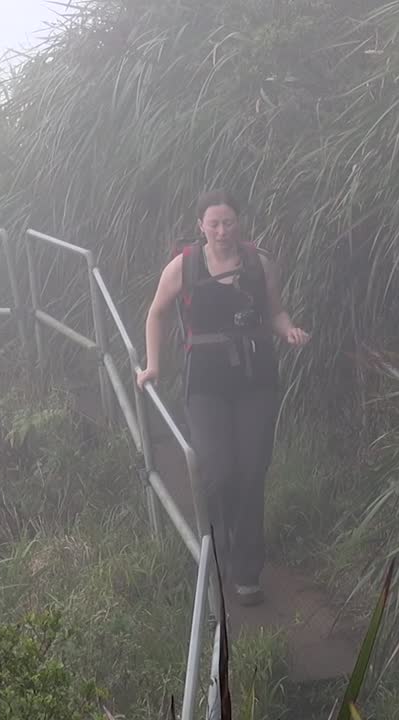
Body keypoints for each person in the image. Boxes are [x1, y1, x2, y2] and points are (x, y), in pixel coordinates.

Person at [135, 189, 309, 606]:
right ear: (201, 225)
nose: (221, 230)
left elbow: (274, 312)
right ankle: (217, 552)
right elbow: (157, 312)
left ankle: (246, 572)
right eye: (213, 223)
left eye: (228, 222)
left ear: (238, 222)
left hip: (255, 378)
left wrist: (287, 330)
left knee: (252, 470)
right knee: (218, 471)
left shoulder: (259, 263)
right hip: (205, 382)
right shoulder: (184, 266)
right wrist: (153, 365)